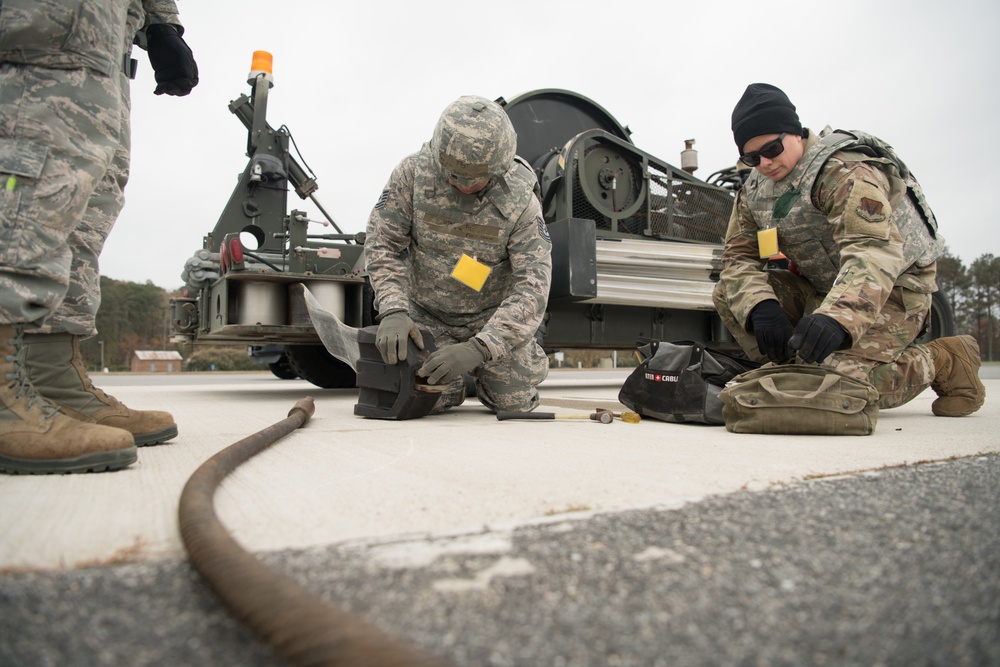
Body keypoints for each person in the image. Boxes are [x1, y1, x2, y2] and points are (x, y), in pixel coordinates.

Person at [0, 0, 198, 474]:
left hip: (105, 42)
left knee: (85, 201)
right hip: (46, 31)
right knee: (29, 172)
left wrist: (160, 21)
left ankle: (49, 379)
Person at [713, 83, 985, 418]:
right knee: (730, 293)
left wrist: (837, 319)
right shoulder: (754, 191)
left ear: (795, 133)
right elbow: (738, 260)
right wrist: (761, 306)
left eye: (771, 148)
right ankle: (796, 374)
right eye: (751, 157)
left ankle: (945, 358)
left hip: (895, 289)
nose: (765, 163)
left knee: (841, 386)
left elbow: (872, 251)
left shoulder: (844, 171)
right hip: (825, 289)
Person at [365, 95, 552, 415]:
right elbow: (384, 244)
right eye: (453, 176)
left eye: (475, 180)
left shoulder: (520, 200)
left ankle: (494, 371)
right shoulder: (412, 176)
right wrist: (394, 310)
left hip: (491, 319)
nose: (463, 187)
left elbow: (532, 287)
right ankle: (455, 386)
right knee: (415, 396)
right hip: (428, 318)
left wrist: (481, 347)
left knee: (513, 402)